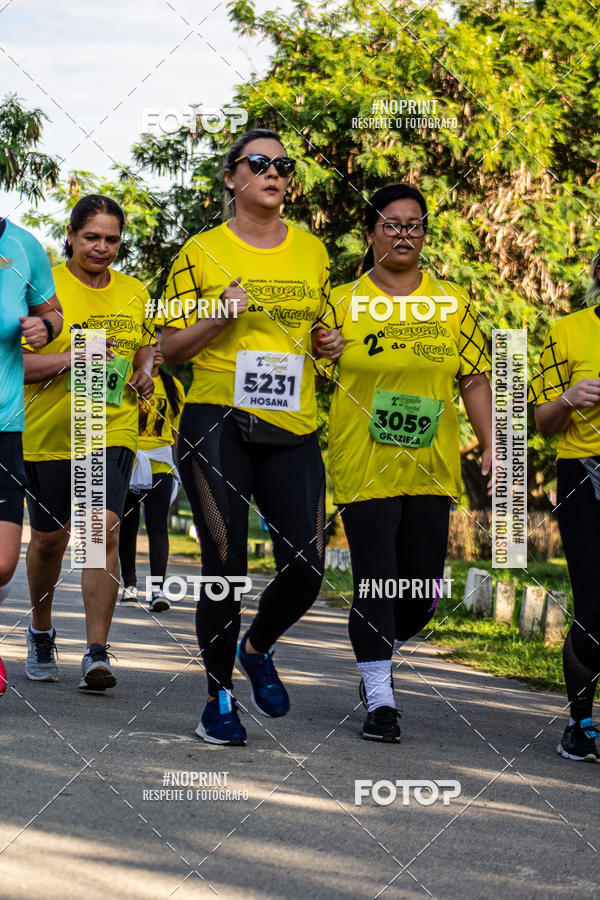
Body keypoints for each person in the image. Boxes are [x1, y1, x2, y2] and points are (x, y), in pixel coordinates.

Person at [160, 128, 342, 745]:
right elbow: (166, 347)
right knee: (225, 566)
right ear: (233, 177)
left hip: (293, 423)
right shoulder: (201, 251)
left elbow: (322, 334)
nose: (274, 172)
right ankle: (218, 700)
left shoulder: (313, 251)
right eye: (258, 163)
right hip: (217, 418)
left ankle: (257, 646)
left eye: (284, 165)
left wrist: (329, 345)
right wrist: (219, 313)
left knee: (308, 567)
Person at [317, 183, 492, 742]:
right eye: (390, 224)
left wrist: (491, 443)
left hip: (431, 464)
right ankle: (381, 697)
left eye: (413, 224)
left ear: (425, 233)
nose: (402, 234)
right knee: (375, 579)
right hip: (363, 459)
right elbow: (309, 372)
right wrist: (322, 351)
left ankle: (377, 649)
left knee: (419, 592)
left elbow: (474, 376)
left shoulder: (453, 303)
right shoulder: (341, 302)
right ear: (369, 235)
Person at [22, 194, 155, 691]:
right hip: (49, 431)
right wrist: (72, 360)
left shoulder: (135, 292)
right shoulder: (41, 287)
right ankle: (40, 631)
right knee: (50, 541)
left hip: (110, 426)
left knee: (101, 529)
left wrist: (143, 373)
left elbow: (146, 348)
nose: (102, 247)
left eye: (112, 239)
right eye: (92, 237)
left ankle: (96, 652)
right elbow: (15, 365)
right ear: (72, 236)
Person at [531, 247, 600, 762]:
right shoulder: (568, 330)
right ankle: (580, 723)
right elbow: (541, 421)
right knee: (594, 604)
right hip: (586, 473)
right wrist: (570, 399)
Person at [0, 217, 63, 694]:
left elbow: (53, 313)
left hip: (5, 424)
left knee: (1, 564)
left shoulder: (23, 246)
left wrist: (44, 326)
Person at [118, 340, 184, 613]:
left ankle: (158, 589)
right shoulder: (126, 378)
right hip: (129, 460)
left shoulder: (175, 386)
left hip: (160, 462)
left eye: (161, 345)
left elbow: (176, 430)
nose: (157, 351)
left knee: (158, 526)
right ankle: (130, 585)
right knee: (127, 525)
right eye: (151, 345)